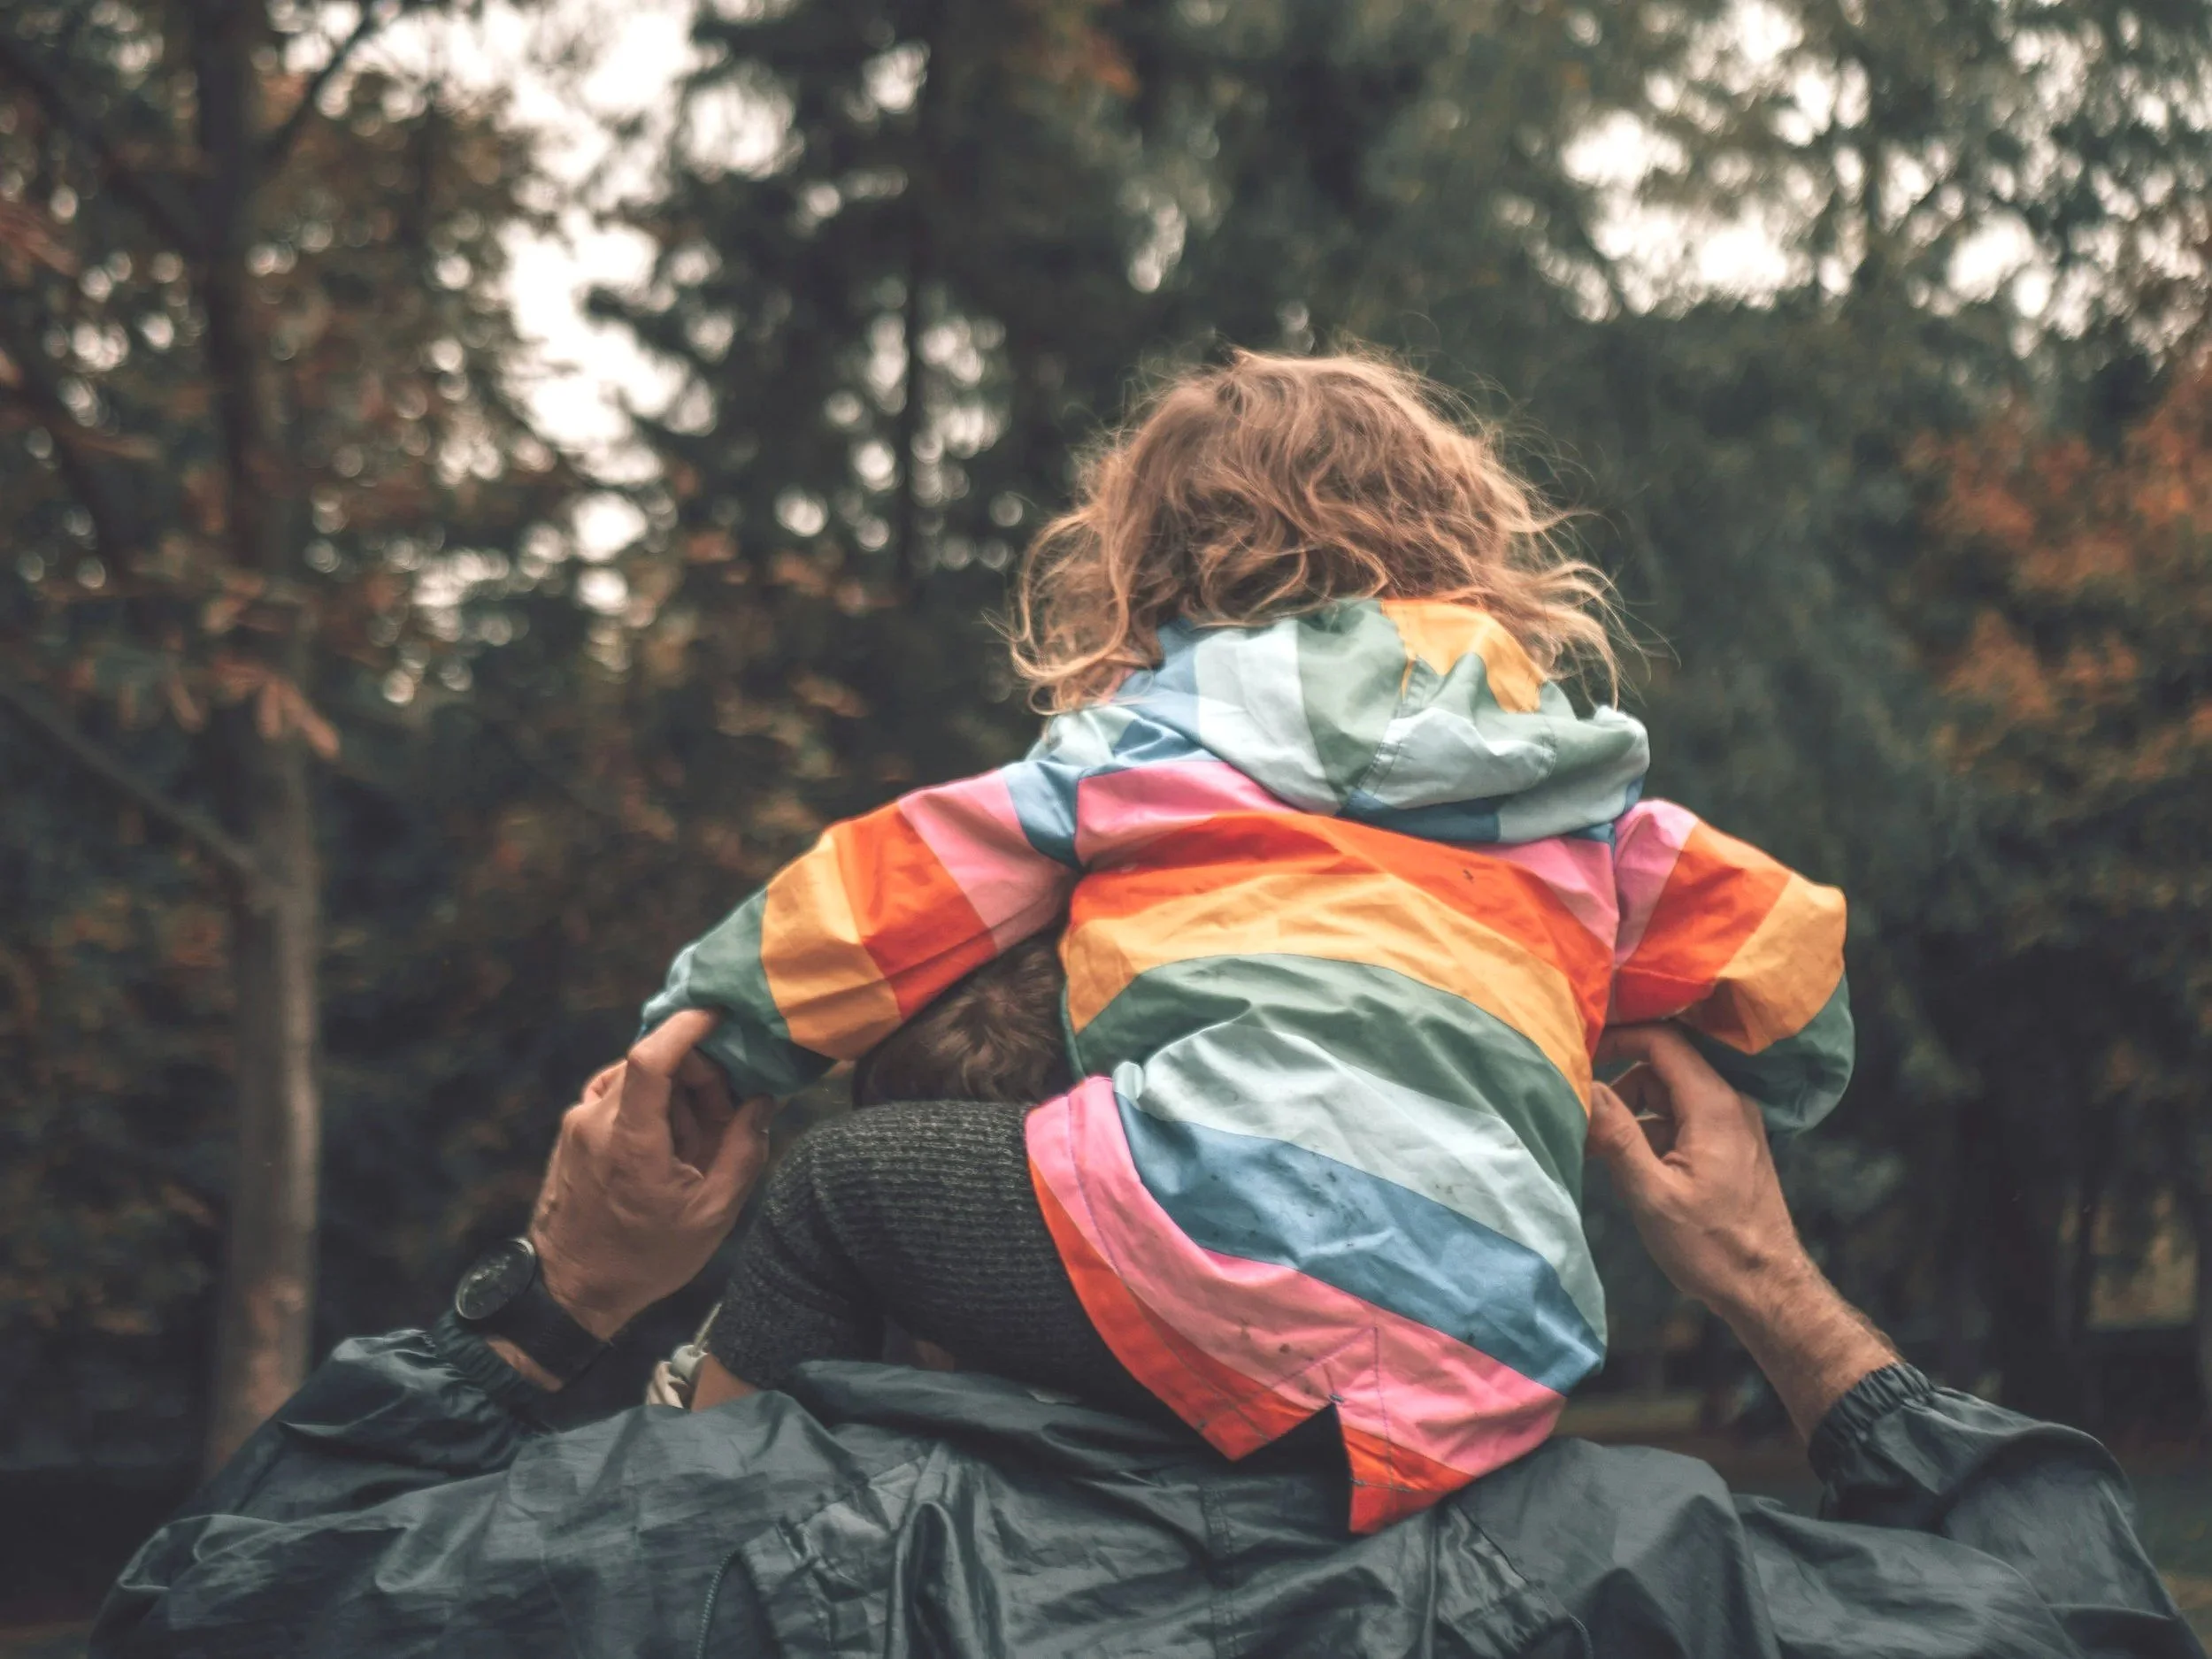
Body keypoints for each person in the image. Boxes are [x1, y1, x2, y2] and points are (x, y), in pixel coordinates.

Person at [641, 349, 1856, 1528]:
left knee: (835, 1193)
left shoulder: (1153, 739)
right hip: (1493, 1342)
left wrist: (715, 1029)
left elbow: (890, 892)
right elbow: (1789, 956)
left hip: (1205, 1242)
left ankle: (678, 1533)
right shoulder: (1581, 799)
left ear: (1154, 568)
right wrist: (1774, 1075)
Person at [93, 1012, 2201, 1657]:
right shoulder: (1626, 1577)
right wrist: (1768, 1288)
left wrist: (549, 1302)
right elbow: (2088, 1623)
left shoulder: (667, 1544)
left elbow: (192, 1616)